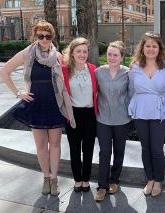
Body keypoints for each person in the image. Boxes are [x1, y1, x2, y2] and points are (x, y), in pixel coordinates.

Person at [0, 20, 75, 196]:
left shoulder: (57, 56)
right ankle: (46, 178)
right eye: (41, 36)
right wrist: (18, 93)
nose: (44, 39)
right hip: (36, 102)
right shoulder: (27, 53)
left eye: (48, 36)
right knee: (41, 145)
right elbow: (4, 71)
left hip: (54, 102)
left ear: (52, 37)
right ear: (35, 36)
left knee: (55, 144)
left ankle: (54, 179)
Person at [128, 31, 165, 197]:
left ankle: (159, 180)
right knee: (145, 148)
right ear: (142, 47)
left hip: (159, 111)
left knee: (157, 148)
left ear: (159, 48)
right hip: (140, 111)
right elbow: (131, 89)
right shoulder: (134, 66)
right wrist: (131, 107)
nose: (151, 49)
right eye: (148, 46)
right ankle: (150, 179)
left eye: (154, 46)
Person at [94, 41, 131, 201]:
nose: (111, 57)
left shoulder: (128, 73)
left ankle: (114, 181)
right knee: (104, 152)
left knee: (119, 151)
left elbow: (133, 94)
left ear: (122, 57)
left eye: (115, 55)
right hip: (103, 119)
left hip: (122, 119)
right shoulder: (98, 72)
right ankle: (102, 186)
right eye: (109, 54)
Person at [62, 37, 97, 193]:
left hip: (90, 114)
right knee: (75, 149)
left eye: (84, 51)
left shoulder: (92, 68)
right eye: (78, 51)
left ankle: (86, 179)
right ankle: (77, 180)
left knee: (88, 148)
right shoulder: (64, 70)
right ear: (72, 53)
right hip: (73, 114)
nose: (82, 54)